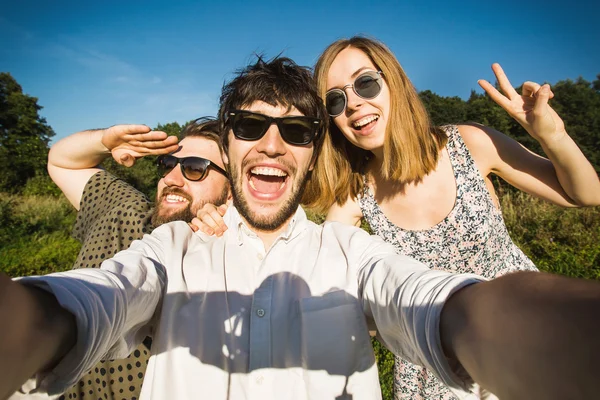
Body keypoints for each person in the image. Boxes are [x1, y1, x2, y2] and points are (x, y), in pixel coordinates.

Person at [1, 56, 600, 400]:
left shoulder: (348, 248)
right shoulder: (172, 247)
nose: (270, 144)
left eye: (296, 131)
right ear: (228, 144)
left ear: (315, 152)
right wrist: (31, 321)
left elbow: (441, 304)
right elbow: (89, 299)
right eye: (248, 126)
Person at [301, 36, 600, 399]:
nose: (354, 104)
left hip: (524, 334)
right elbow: (318, 277)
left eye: (365, 83)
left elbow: (584, 194)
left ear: (393, 81)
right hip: (435, 370)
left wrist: (553, 135)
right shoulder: (356, 195)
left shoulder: (468, 143)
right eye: (335, 99)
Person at [20, 119, 230, 400]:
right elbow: (61, 162)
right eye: (168, 165)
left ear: (231, 192)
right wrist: (104, 142)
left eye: (194, 169)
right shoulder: (122, 207)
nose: (170, 179)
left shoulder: (230, 268)